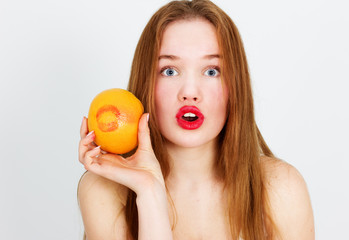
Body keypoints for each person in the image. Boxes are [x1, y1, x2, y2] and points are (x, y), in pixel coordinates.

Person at [77, 0, 314, 239]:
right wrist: (149, 191)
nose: (190, 92)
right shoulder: (103, 190)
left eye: (212, 71)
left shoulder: (281, 188)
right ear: (146, 81)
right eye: (170, 71)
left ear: (235, 86)